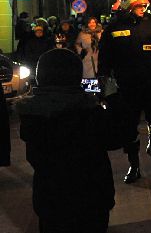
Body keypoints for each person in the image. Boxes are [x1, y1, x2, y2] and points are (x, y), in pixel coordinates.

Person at [17, 48, 121, 232]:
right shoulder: (89, 113)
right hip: (92, 198)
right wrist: (113, 98)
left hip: (50, 200)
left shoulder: (32, 113)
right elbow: (117, 137)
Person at [98, 0, 151, 183]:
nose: (143, 9)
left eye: (144, 6)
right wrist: (101, 88)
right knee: (129, 129)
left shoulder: (150, 25)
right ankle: (134, 165)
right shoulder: (112, 29)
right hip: (127, 88)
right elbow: (104, 62)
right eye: (139, 6)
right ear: (129, 6)